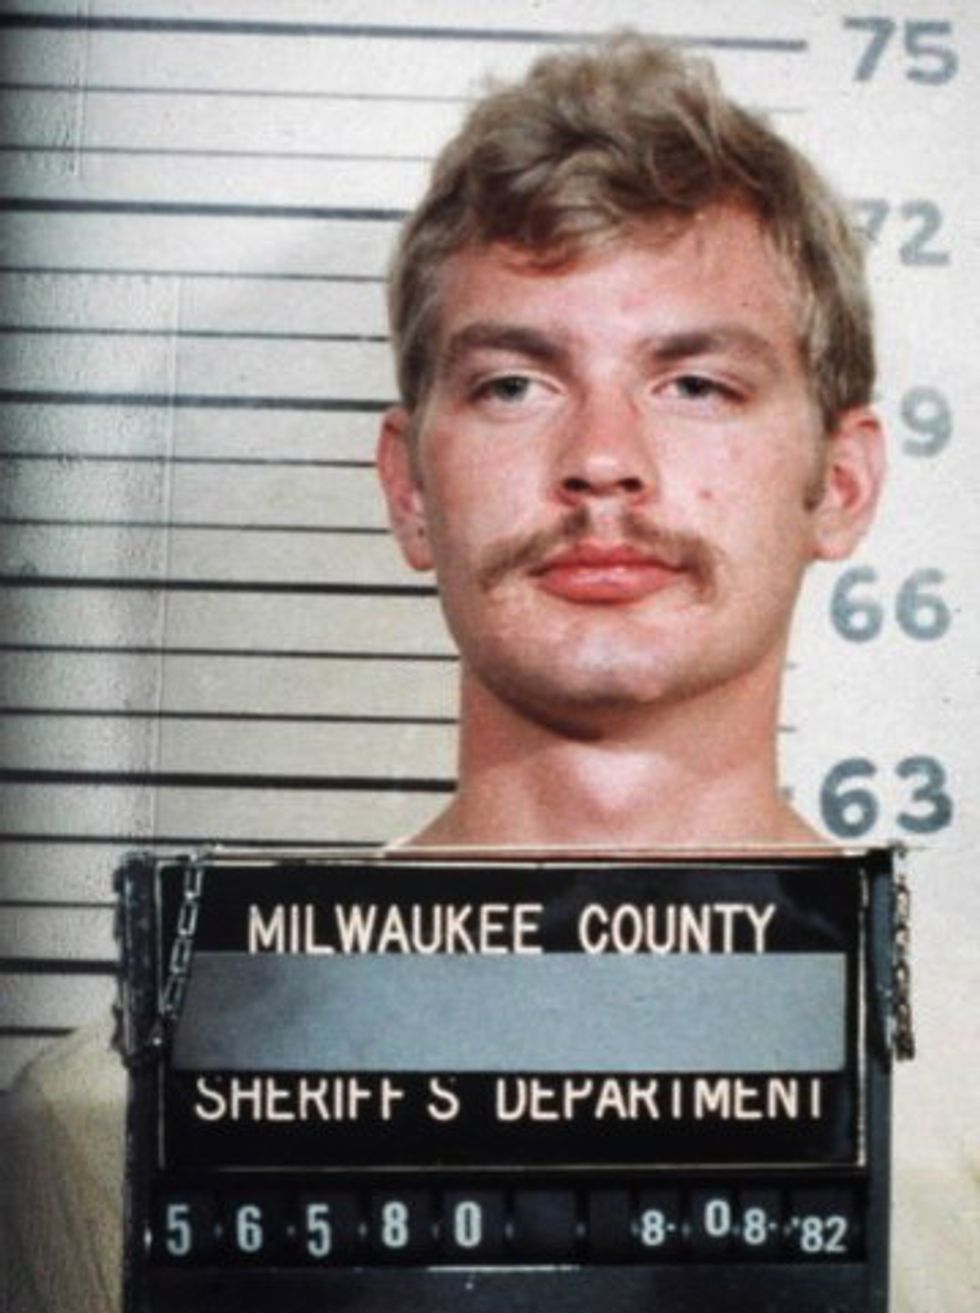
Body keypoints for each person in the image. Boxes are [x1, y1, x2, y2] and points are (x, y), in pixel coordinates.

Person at [2, 32, 973, 1313]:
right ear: (409, 489)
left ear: (838, 483)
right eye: (515, 383)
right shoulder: (106, 1120)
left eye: (693, 382)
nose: (603, 460)